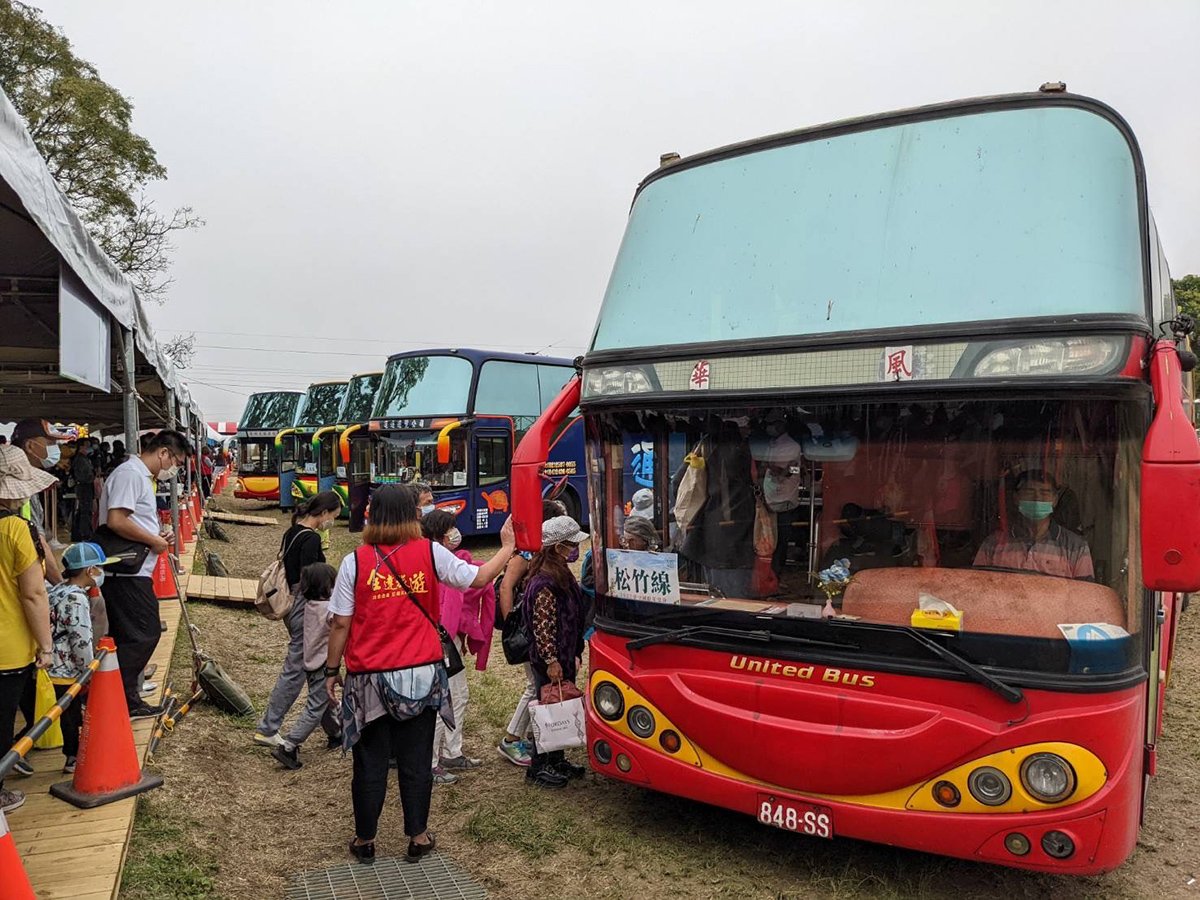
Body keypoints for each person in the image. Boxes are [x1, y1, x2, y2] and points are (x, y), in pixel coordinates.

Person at [324, 484, 517, 865]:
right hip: (421, 675)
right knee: (415, 761)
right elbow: (476, 579)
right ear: (412, 516)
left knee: (370, 762)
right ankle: (418, 835)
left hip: (369, 678)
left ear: (373, 516)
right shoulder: (431, 553)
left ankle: (365, 841)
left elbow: (341, 624)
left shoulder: (354, 561)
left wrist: (332, 670)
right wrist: (508, 548)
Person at [98, 429, 189, 718]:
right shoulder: (131, 474)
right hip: (126, 573)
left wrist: (156, 535)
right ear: (163, 453)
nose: (173, 469)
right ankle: (122, 698)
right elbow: (116, 520)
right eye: (175, 461)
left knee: (131, 635)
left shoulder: (140, 477)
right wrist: (153, 540)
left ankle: (122, 696)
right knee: (143, 635)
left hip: (135, 569)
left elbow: (132, 519)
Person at [255, 491, 343, 748]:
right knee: (298, 669)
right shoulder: (311, 540)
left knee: (316, 666)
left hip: (292, 607)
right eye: (334, 517)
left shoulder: (292, 531)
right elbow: (310, 581)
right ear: (324, 513)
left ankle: (335, 730)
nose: (332, 523)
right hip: (306, 609)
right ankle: (268, 728)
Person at [421, 510, 495, 784]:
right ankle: (431, 761)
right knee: (444, 699)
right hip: (437, 642)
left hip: (447, 641)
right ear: (440, 535)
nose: (456, 534)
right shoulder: (437, 563)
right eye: (450, 529)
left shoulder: (447, 562)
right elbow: (477, 581)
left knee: (458, 695)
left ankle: (452, 751)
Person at [0, 445, 55, 813]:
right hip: (9, 646)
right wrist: (46, 645)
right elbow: (34, 594)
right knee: (2, 723)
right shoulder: (16, 529)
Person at [496, 498, 566, 767]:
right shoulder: (525, 554)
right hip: (530, 630)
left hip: (535, 628)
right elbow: (505, 587)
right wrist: (513, 624)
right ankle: (512, 739)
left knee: (534, 685)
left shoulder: (538, 550)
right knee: (531, 685)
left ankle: (523, 734)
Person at [523, 515, 590, 789]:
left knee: (559, 705)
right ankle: (539, 766)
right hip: (550, 659)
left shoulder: (558, 573)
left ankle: (557, 758)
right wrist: (551, 660)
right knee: (548, 708)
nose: (575, 549)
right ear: (558, 547)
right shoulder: (544, 583)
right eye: (570, 544)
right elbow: (543, 626)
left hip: (565, 653)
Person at [47, 542, 117, 773]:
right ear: (89, 571)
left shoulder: (57, 590)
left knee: (66, 712)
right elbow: (80, 638)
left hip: (50, 663)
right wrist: (89, 668)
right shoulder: (77, 599)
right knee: (70, 714)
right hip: (66, 668)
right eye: (98, 568)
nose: (100, 573)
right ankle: (73, 756)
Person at [271, 561, 340, 769]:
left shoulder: (309, 606)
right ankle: (290, 745)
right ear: (327, 586)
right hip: (322, 665)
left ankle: (336, 733)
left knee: (324, 703)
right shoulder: (328, 610)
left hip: (311, 664)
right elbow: (342, 623)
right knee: (315, 708)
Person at [973, 469, 1094, 580]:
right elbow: (976, 585)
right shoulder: (993, 544)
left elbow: (1085, 596)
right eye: (1029, 492)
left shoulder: (1076, 547)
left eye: (1045, 492)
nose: (1037, 498)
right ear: (1016, 498)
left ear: (1055, 500)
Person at [10, 418, 66, 585]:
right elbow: (38, 542)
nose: (56, 450)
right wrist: (61, 586)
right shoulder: (21, 486)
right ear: (30, 446)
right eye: (50, 443)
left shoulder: (18, 479)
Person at [69, 439, 96, 542]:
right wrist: (92, 477)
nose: (89, 448)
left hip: (86, 487)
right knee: (85, 511)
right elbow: (83, 476)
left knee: (84, 511)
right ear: (81, 447)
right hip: (84, 487)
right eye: (87, 446)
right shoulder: (80, 460)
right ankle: (84, 534)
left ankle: (82, 532)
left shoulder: (85, 458)